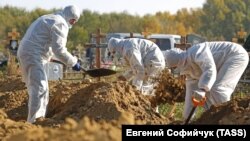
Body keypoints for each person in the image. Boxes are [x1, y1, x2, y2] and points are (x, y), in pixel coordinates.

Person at [17, 5, 82, 123]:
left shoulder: (51, 18)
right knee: (40, 88)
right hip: (33, 55)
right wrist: (73, 62)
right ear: (72, 19)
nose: (73, 24)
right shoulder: (61, 23)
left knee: (39, 88)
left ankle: (35, 120)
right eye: (74, 21)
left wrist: (49, 56)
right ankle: (35, 122)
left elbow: (46, 43)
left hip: (28, 52)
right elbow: (59, 50)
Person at [163, 41, 249, 120]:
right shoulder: (189, 71)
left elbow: (210, 70)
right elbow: (190, 94)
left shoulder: (196, 51)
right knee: (207, 95)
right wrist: (187, 118)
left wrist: (202, 89)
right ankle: (213, 118)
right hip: (222, 62)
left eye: (173, 67)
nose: (174, 70)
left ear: (178, 63)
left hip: (235, 55)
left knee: (218, 89)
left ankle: (228, 118)